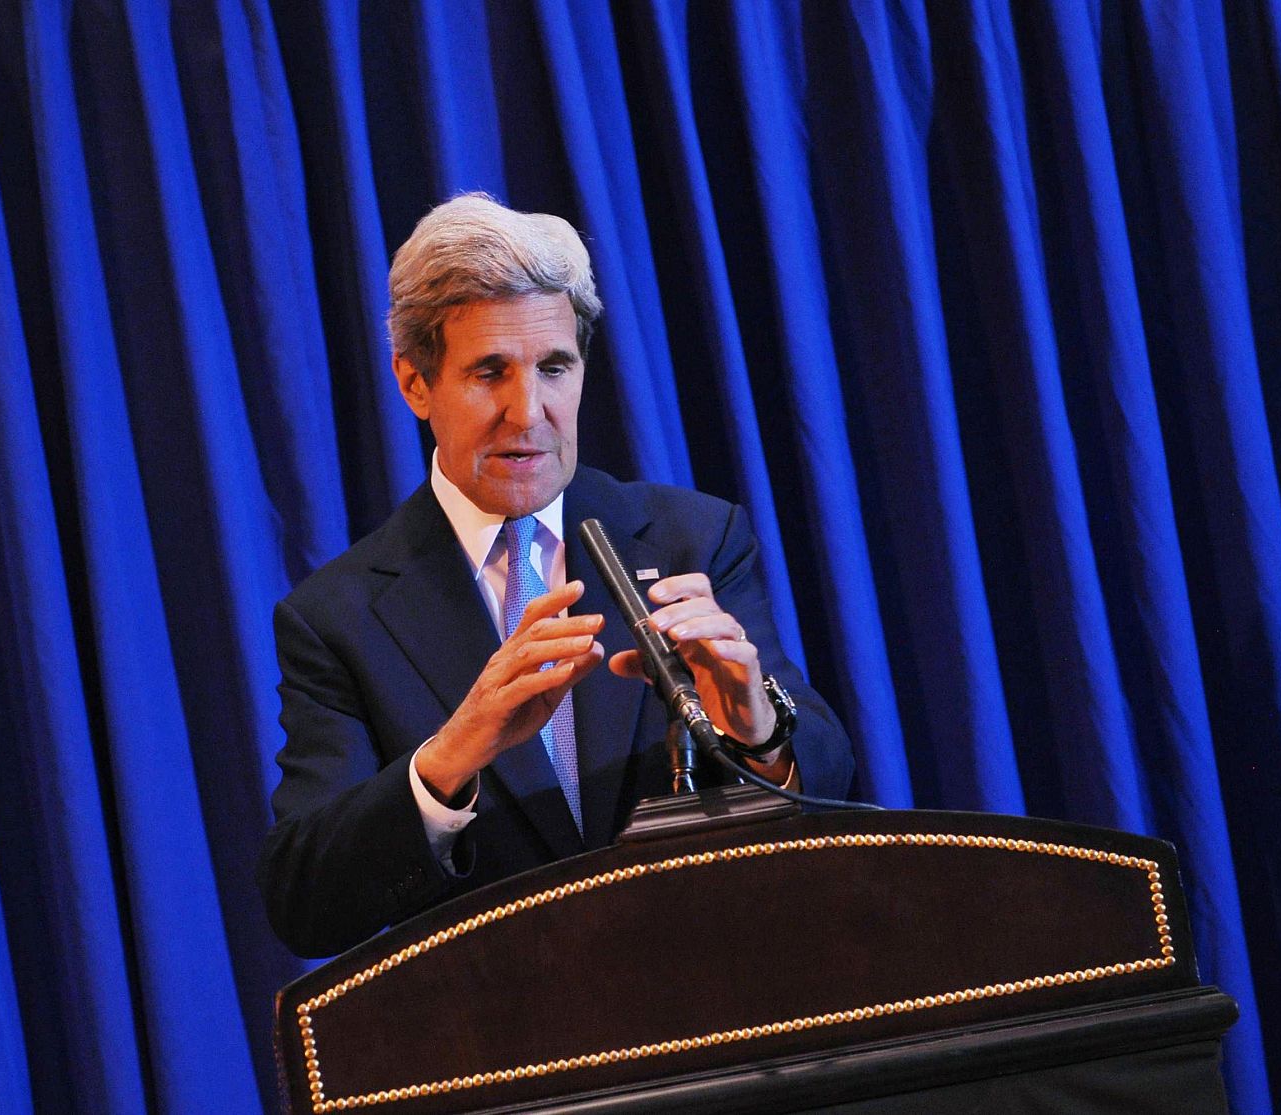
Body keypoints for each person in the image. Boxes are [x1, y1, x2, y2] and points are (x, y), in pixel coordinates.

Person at [261, 194, 853, 958]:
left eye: (554, 368)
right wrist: (451, 756)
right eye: (488, 372)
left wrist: (758, 729)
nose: (528, 411)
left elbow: (829, 783)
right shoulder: (338, 617)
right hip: (513, 1050)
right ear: (415, 383)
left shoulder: (690, 539)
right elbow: (305, 901)